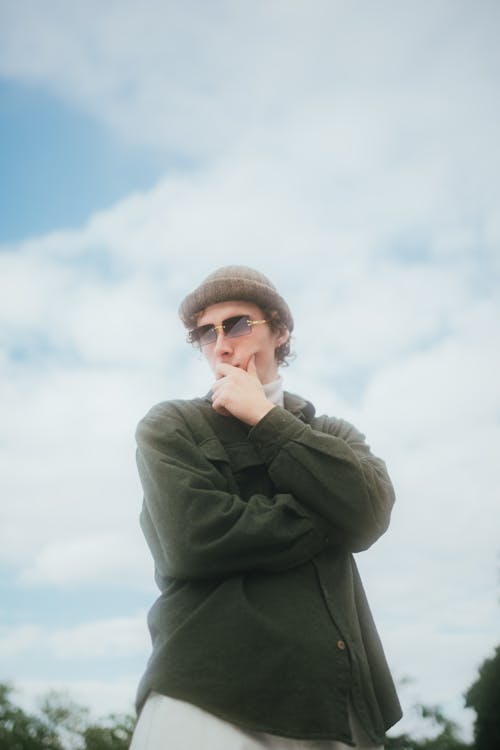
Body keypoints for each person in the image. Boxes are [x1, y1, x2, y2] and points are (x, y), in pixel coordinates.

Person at [130, 266, 402, 749]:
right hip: (204, 697)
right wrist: (326, 514)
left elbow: (368, 515)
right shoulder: (172, 425)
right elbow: (193, 540)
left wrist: (264, 417)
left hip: (336, 710)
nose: (220, 344)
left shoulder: (335, 436)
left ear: (280, 331)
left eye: (236, 324)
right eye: (204, 333)